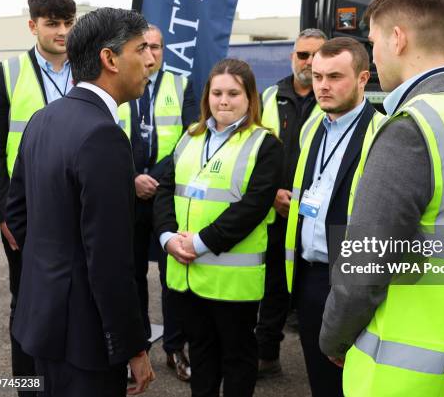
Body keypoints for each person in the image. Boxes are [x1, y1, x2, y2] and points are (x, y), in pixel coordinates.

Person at [319, 0, 444, 396]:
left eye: (373, 40)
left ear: (397, 38)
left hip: (397, 370)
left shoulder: (411, 125)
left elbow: (367, 261)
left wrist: (333, 335)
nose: (374, 52)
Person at [5, 8, 156, 397]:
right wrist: (133, 347)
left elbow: (17, 217)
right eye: (141, 49)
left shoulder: (42, 119)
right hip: (83, 343)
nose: (151, 59)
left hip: (38, 324)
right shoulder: (103, 135)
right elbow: (109, 259)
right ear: (109, 59)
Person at [153, 58, 283, 397]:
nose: (223, 101)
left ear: (250, 98)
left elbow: (252, 207)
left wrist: (197, 243)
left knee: (238, 359)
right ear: (207, 97)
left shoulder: (264, 144)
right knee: (202, 354)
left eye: (233, 94)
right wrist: (167, 237)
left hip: (232, 284)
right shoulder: (190, 137)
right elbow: (166, 188)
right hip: (188, 276)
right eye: (217, 93)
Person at [0, 0, 76, 392]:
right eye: (53, 24)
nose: (63, 32)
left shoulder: (89, 68)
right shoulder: (8, 73)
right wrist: (2, 214)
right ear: (33, 25)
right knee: (28, 304)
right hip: (27, 213)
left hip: (77, 207)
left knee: (77, 301)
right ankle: (30, 386)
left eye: (69, 23)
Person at [284, 36, 381, 397]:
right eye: (318, 75)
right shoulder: (313, 126)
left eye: (335, 76)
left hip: (350, 281)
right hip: (309, 278)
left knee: (354, 384)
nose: (323, 85)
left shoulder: (381, 131)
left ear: (362, 78)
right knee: (321, 382)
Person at [117, 24, 197, 381]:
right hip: (126, 193)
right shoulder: (119, 82)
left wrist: (157, 179)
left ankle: (175, 349)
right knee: (130, 276)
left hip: (167, 195)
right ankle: (136, 349)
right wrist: (132, 176)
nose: (152, 52)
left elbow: (192, 136)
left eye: (158, 46)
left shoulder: (182, 84)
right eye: (144, 45)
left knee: (172, 276)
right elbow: (104, 133)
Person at [256, 27, 326, 377]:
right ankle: (266, 356)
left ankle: (322, 363)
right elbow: (252, 152)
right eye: (303, 55)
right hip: (273, 212)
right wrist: (270, 195)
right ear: (292, 57)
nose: (309, 61)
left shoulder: (333, 98)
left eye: (317, 55)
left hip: (314, 215)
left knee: (313, 292)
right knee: (271, 289)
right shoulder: (269, 95)